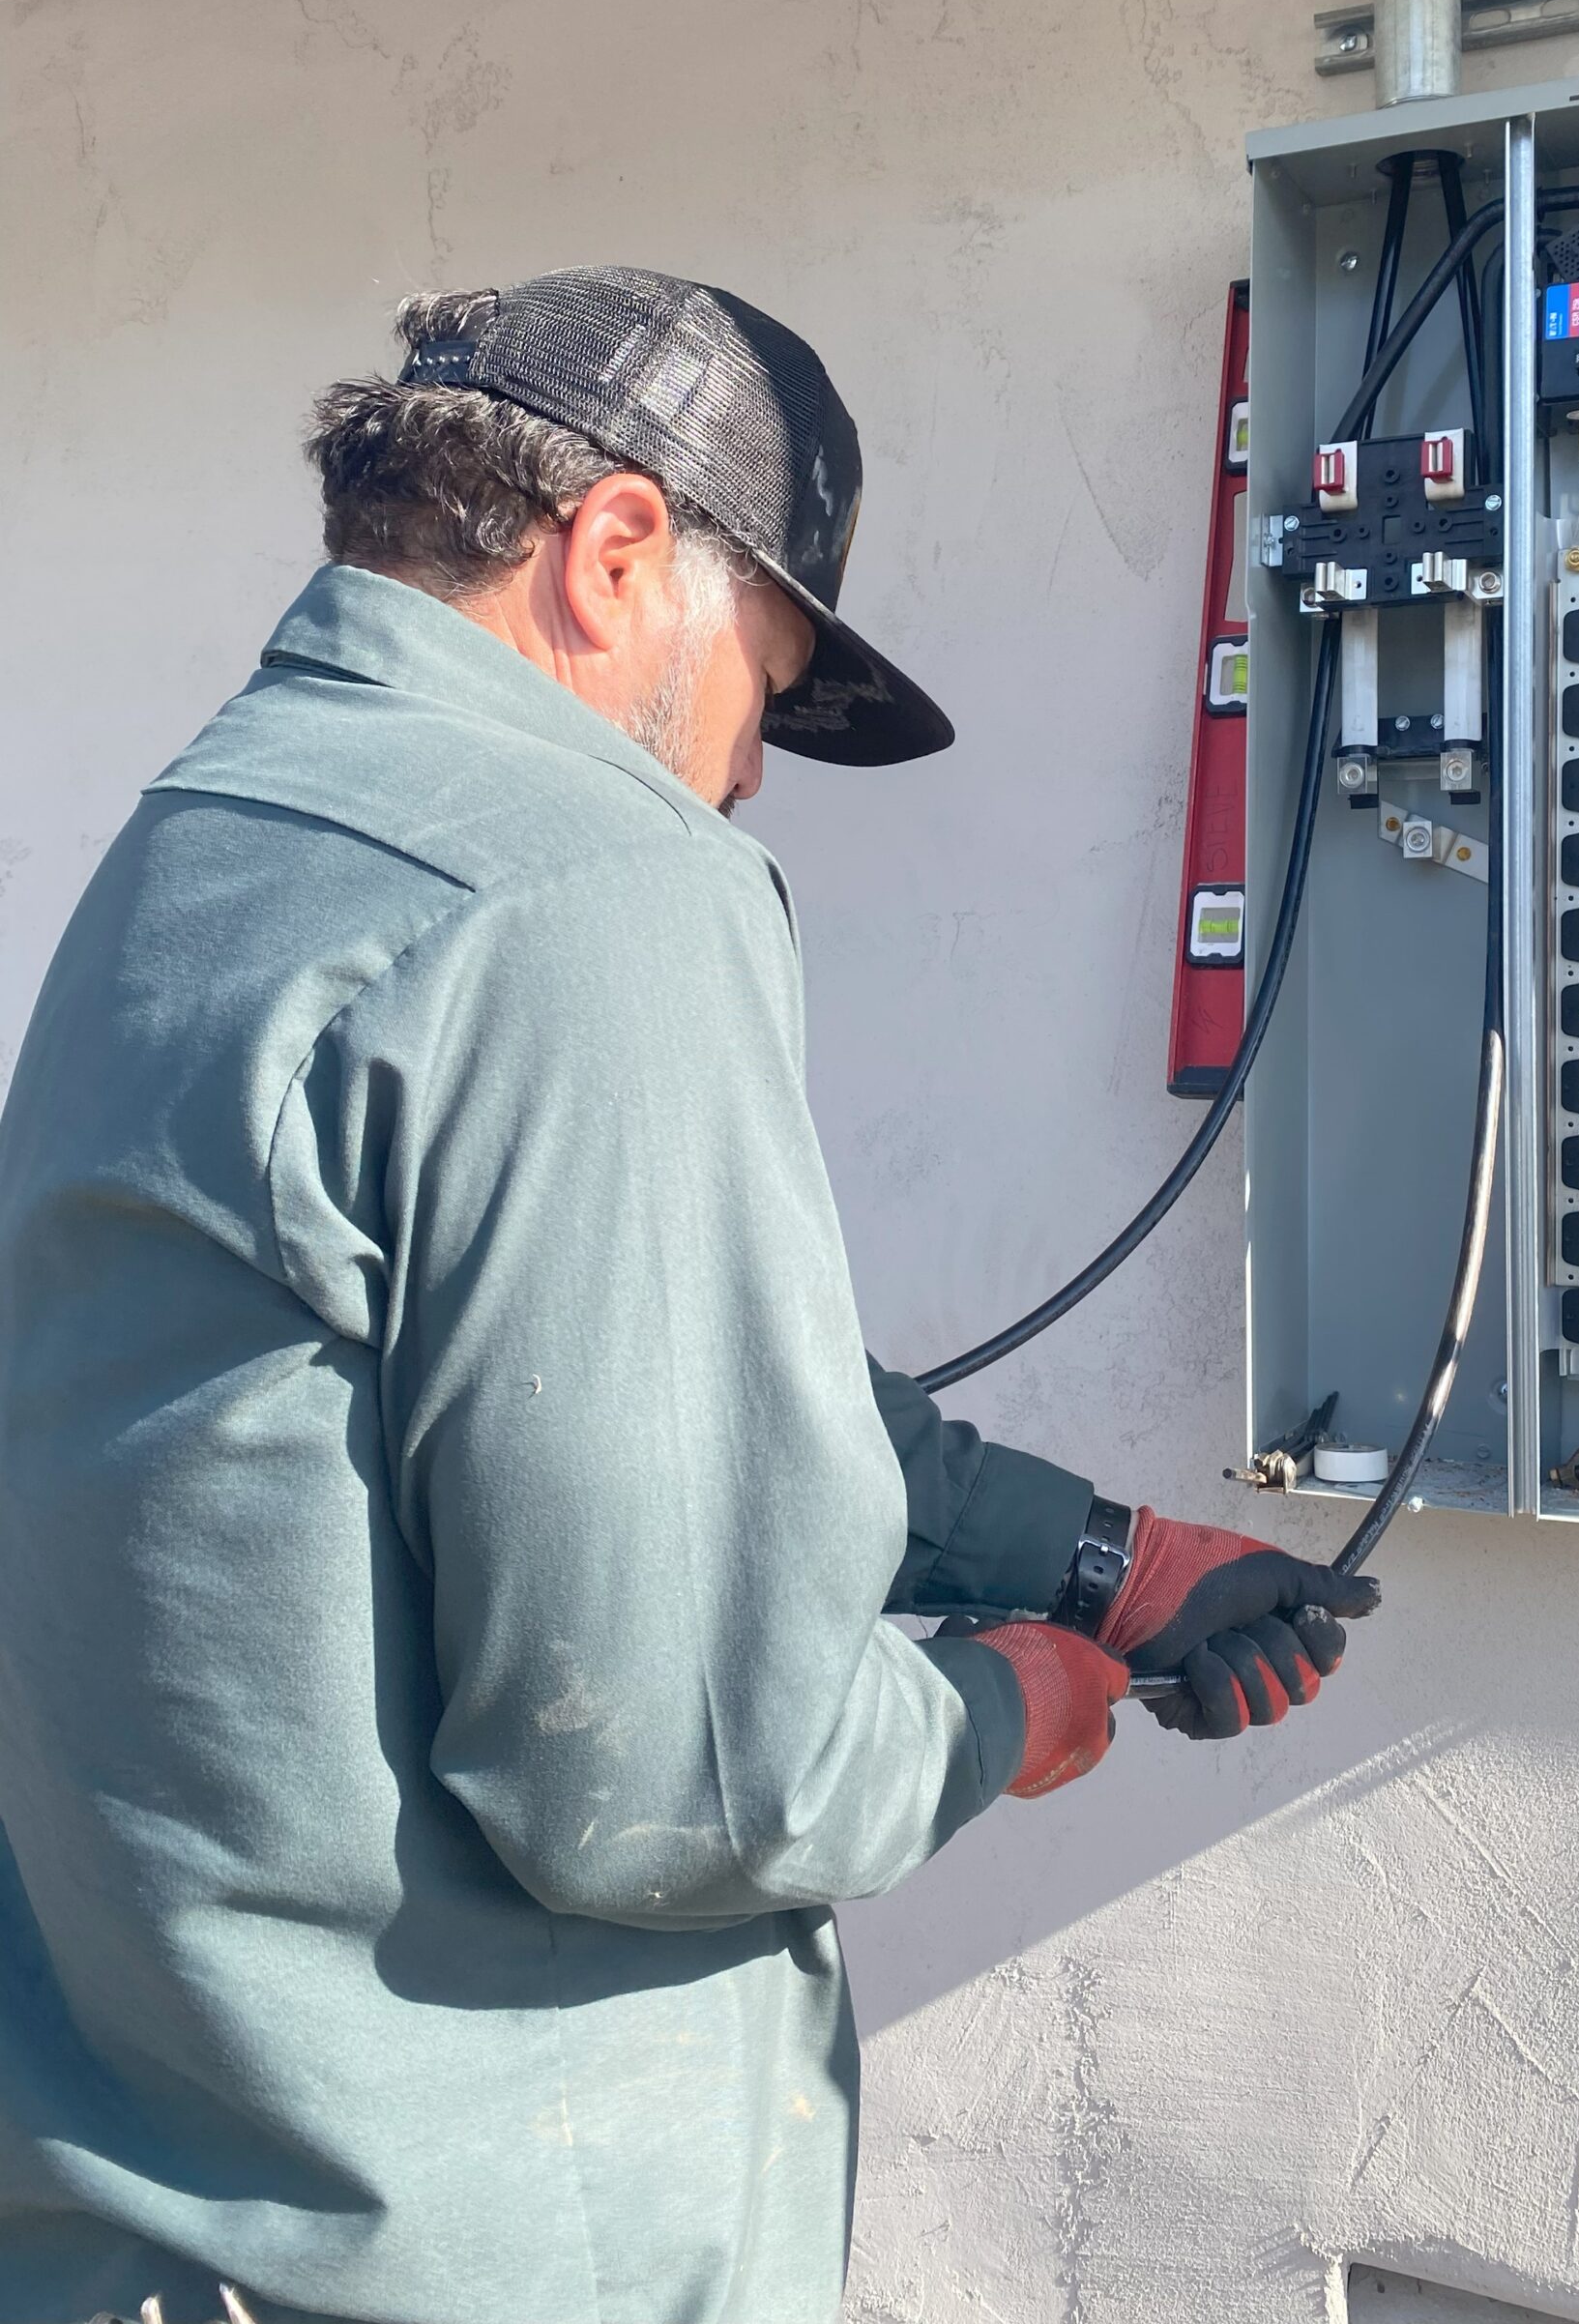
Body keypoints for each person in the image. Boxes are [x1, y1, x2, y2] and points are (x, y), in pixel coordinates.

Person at [0, 270, 1374, 2324]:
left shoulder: (214, 840)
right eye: (761, 689)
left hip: (151, 2217)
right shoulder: (593, 882)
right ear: (617, 550)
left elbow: (601, 1394)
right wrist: (1011, 1703)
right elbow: (677, 1781)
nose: (739, 782)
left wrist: (1108, 1556)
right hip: (465, 2248)